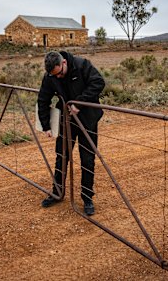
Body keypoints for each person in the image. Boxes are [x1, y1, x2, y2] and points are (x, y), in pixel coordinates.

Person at [37, 51, 105, 216]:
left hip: (87, 119)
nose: (58, 77)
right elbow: (43, 99)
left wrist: (79, 102)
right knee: (62, 156)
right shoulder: (50, 76)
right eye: (54, 75)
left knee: (87, 159)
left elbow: (98, 82)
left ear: (64, 62)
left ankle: (87, 197)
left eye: (59, 73)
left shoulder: (82, 65)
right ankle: (57, 192)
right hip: (66, 122)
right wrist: (45, 125)